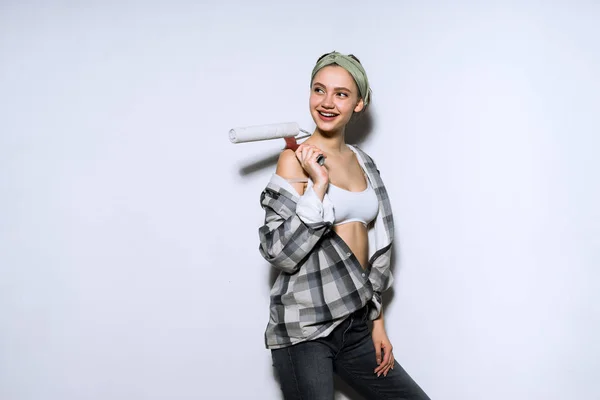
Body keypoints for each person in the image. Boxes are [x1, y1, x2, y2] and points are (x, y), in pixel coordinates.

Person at [258, 51, 429, 400]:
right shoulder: (295, 160)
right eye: (319, 90)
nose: (327, 102)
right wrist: (317, 186)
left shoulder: (363, 162)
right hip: (304, 329)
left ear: (359, 103)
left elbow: (379, 249)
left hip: (356, 326)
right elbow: (278, 252)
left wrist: (377, 323)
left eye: (341, 94)